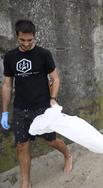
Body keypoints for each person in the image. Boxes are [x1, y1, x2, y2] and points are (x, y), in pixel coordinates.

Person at [1, 19, 72, 188]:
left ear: (34, 37)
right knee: (21, 146)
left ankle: (68, 155)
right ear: (16, 37)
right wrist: (4, 111)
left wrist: (52, 99)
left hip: (41, 107)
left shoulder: (43, 54)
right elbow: (7, 84)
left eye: (30, 40)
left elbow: (55, 79)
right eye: (22, 40)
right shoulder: (10, 57)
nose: (26, 44)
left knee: (51, 141)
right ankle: (26, 182)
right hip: (20, 109)